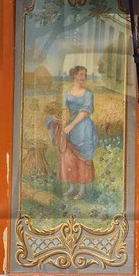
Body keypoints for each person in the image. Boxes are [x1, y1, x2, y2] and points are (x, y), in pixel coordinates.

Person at [56, 65, 98, 200]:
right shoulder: (67, 93)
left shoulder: (88, 94)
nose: (83, 78)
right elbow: (63, 110)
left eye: (84, 75)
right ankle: (72, 187)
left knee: (83, 158)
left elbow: (84, 112)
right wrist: (61, 122)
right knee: (69, 158)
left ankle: (82, 190)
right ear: (74, 76)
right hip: (69, 127)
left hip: (83, 128)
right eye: (80, 74)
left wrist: (71, 126)